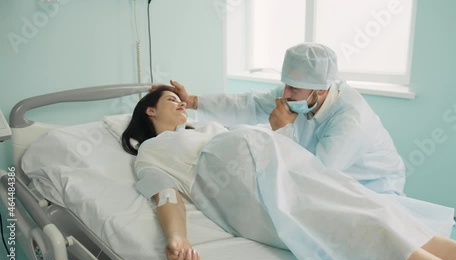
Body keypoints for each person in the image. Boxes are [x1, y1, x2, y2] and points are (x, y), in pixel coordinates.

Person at [121, 89, 456, 260]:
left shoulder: (207, 128)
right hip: (251, 190)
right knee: (362, 229)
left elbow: (254, 125)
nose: (182, 104)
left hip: (291, 168)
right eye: (172, 100)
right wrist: (177, 237)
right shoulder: (154, 150)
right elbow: (165, 193)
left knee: (383, 211)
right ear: (150, 110)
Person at [150, 43, 406, 196]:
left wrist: (283, 130)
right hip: (321, 180)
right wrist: (193, 101)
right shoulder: (299, 93)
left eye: (294, 88)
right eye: (285, 84)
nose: (285, 94)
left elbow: (317, 176)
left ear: (321, 89)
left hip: (371, 189)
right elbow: (248, 103)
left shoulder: (350, 121)